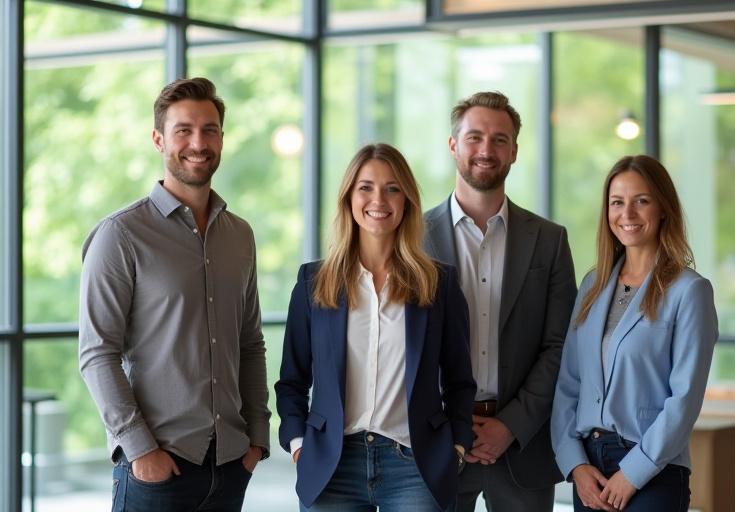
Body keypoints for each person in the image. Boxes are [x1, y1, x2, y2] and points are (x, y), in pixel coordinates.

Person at [78, 77, 270, 512]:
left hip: (230, 465)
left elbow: (249, 343)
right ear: (158, 139)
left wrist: (257, 437)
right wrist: (140, 450)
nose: (198, 143)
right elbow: (97, 353)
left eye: (210, 130)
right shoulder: (121, 235)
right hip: (159, 470)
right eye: (183, 130)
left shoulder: (239, 235)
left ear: (222, 137)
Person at [275, 143, 476, 512]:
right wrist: (298, 443)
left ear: (407, 201)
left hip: (415, 464)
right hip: (332, 464)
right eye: (365, 187)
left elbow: (460, 380)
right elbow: (292, 380)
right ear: (349, 197)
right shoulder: (313, 281)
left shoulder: (438, 283)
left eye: (392, 188)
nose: (378, 199)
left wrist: (457, 446)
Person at [423, 91, 577, 511]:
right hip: (435, 441)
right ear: (454, 144)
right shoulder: (412, 239)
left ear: (514, 152)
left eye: (499, 140)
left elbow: (561, 345)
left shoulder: (549, 240)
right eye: (474, 137)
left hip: (522, 444)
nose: (486, 150)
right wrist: (454, 423)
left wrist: (510, 425)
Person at [551, 154, 718, 512]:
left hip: (653, 471)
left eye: (641, 201)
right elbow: (569, 384)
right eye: (617, 202)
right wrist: (575, 464)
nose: (627, 214)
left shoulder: (689, 291)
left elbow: (684, 399)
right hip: (590, 470)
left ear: (663, 209)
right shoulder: (592, 285)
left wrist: (634, 472)